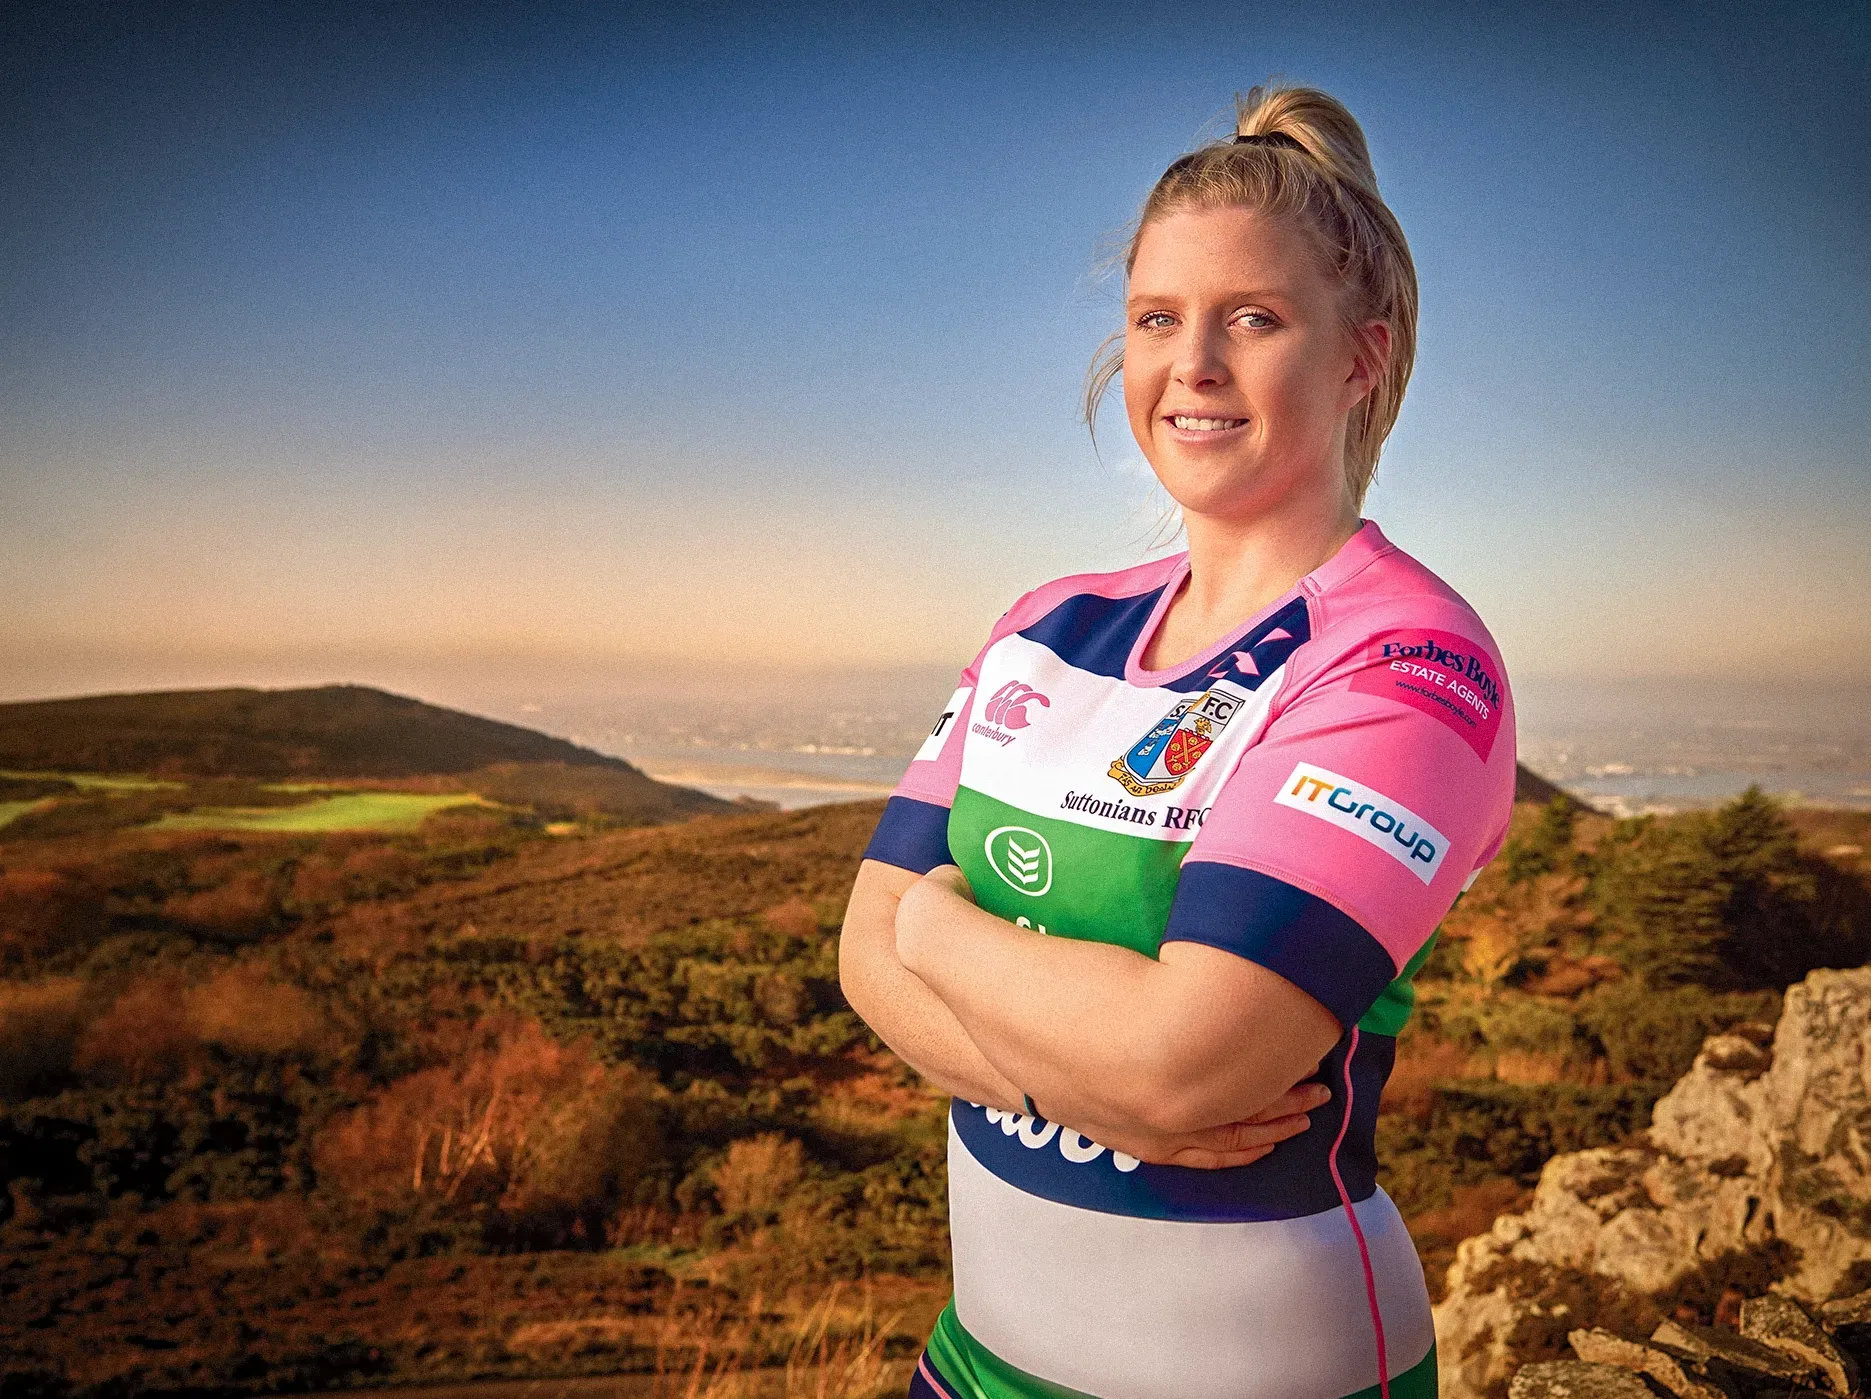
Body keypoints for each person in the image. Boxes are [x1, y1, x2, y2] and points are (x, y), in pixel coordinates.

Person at [839, 83, 1517, 1399]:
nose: (1190, 365)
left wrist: (935, 928)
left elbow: (1188, 1057)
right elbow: (861, 958)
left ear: (1359, 355)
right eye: (1157, 319)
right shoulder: (1049, 624)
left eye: (1251, 319)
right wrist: (1100, 1089)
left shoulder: (1403, 659)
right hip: (974, 1355)